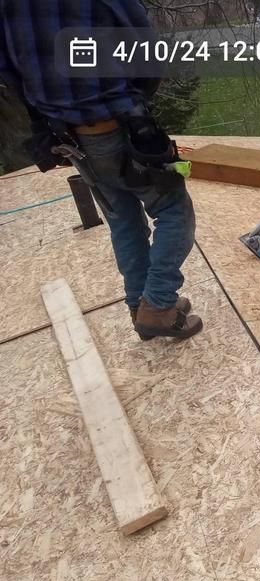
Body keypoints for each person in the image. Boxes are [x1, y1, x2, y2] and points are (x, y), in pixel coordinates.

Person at [0, 0, 202, 340]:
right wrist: (131, 100)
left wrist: (50, 112)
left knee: (123, 221)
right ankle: (158, 305)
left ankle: (141, 306)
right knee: (174, 211)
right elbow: (147, 56)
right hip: (119, 129)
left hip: (70, 136)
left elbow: (8, 69)